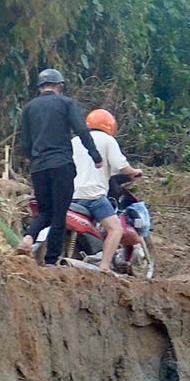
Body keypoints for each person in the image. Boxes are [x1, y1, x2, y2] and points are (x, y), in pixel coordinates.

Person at [17, 68, 99, 266]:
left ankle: (28, 239)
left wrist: (35, 159)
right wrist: (95, 155)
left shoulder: (29, 108)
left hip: (38, 168)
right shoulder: (66, 103)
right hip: (61, 165)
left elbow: (25, 144)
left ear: (40, 87)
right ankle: (52, 260)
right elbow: (81, 130)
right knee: (59, 215)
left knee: (45, 212)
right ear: (59, 86)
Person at [72, 109, 135, 271]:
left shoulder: (75, 141)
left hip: (71, 196)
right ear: (110, 126)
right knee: (116, 229)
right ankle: (105, 266)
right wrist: (134, 172)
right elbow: (121, 166)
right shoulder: (107, 140)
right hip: (94, 197)